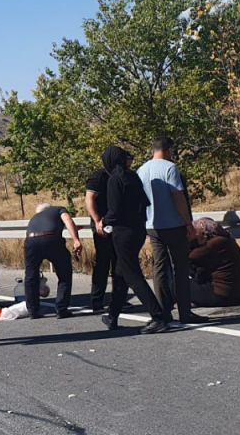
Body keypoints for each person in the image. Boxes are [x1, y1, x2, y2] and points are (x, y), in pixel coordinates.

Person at [136, 137, 210, 324]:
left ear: (152, 150)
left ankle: (163, 312)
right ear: (168, 150)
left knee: (159, 269)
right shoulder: (170, 168)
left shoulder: (141, 170)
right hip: (173, 225)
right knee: (180, 268)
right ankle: (185, 312)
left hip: (152, 225)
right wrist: (188, 223)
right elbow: (178, 197)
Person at [100, 146, 171, 334]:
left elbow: (114, 211)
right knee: (120, 273)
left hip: (122, 233)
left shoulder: (114, 179)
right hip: (138, 230)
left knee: (132, 275)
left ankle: (158, 316)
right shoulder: (132, 176)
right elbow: (144, 203)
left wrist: (103, 221)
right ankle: (112, 315)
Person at [22, 202, 83, 319]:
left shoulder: (35, 217)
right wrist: (76, 240)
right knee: (64, 273)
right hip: (51, 240)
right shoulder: (58, 209)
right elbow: (68, 220)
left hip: (30, 241)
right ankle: (61, 309)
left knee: (30, 276)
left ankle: (32, 311)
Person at [85, 164, 128, 313]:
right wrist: (97, 221)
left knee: (119, 264)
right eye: (127, 159)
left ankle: (119, 298)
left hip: (119, 226)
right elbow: (89, 199)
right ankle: (97, 300)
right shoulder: (99, 176)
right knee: (103, 263)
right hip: (101, 227)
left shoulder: (123, 176)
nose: (129, 162)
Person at [188, 218, 240, 307]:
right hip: (238, 294)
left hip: (223, 294)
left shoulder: (214, 243)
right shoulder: (226, 239)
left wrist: (196, 241)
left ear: (204, 233)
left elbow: (189, 257)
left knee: (177, 285)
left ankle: (187, 302)